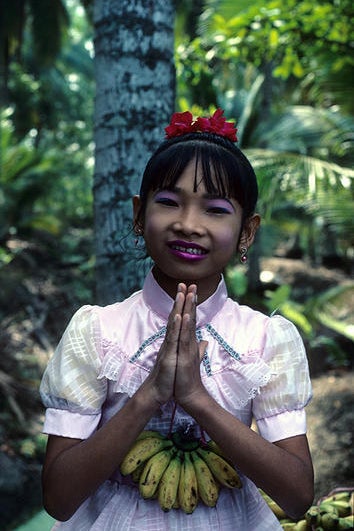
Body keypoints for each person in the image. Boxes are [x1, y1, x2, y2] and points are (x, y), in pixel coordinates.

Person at [40, 108, 314, 530]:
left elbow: (297, 497)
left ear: (247, 231)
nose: (188, 224)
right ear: (138, 213)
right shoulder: (96, 332)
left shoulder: (266, 339)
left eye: (216, 210)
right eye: (168, 202)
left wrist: (197, 399)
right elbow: (58, 499)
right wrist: (149, 393)